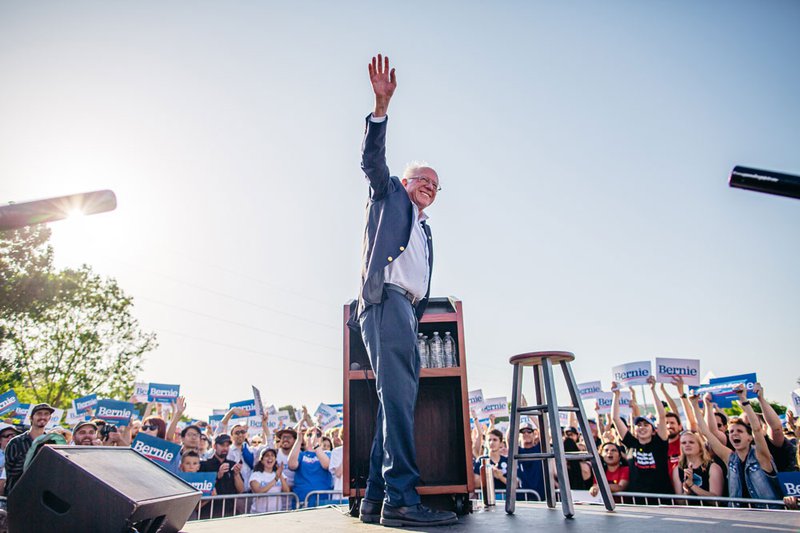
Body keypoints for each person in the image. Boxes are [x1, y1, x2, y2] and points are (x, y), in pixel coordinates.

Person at [349, 53, 456, 529]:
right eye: (423, 180)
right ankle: (403, 500)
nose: (429, 186)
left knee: (396, 403)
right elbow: (372, 161)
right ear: (407, 182)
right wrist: (380, 108)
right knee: (396, 401)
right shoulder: (389, 194)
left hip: (407, 312)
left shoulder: (426, 231)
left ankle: (376, 500)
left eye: (436, 184)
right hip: (385, 303)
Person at [691, 386, 783, 507]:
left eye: (739, 431)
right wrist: (694, 405)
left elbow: (756, 429)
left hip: (767, 513)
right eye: (731, 432)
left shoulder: (760, 455)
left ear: (750, 438)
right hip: (738, 513)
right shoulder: (729, 457)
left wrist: (743, 399)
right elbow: (706, 432)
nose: (734, 434)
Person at [611, 377, 672, 502]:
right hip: (637, 500)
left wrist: (653, 389)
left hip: (661, 500)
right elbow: (615, 419)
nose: (642, 427)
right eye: (639, 425)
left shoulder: (659, 442)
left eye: (646, 425)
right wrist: (616, 396)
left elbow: (661, 416)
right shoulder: (631, 444)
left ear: (653, 430)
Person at [4, 403, 53, 495]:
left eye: (46, 414)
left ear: (49, 418)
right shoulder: (15, 442)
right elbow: (11, 472)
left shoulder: (52, 443)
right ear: (31, 418)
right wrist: (35, 455)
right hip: (17, 494)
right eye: (39, 414)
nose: (43, 417)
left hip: (41, 496)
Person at [670, 430, 723, 503]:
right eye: (683, 443)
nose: (687, 445)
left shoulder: (713, 467)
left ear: (700, 446)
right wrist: (687, 492)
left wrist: (692, 486)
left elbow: (716, 501)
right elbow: (679, 501)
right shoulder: (677, 469)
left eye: (691, 442)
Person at [199, 434, 244, 517]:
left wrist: (236, 474)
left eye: (227, 446)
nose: (225, 448)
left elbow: (241, 490)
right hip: (209, 512)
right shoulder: (204, 465)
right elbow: (201, 488)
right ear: (214, 446)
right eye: (222, 445)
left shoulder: (232, 464)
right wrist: (217, 476)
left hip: (230, 511)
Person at [288, 423, 332, 507]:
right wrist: (298, 441)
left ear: (321, 439)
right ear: (305, 438)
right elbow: (292, 465)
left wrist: (316, 445)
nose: (313, 436)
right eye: (310, 434)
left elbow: (326, 465)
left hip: (322, 500)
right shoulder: (301, 455)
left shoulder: (327, 454)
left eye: (318, 435)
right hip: (302, 500)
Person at [249, 448, 290, 513]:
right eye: (267, 455)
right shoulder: (256, 475)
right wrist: (275, 479)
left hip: (276, 512)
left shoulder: (279, 474)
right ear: (262, 460)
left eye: (272, 455)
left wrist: (280, 475)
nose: (270, 457)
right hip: (259, 513)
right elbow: (258, 492)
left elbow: (287, 492)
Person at [516, 422, 545, 501]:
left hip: (540, 495)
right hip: (522, 496)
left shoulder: (539, 448)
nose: (526, 434)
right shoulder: (517, 450)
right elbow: (509, 438)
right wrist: (514, 417)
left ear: (534, 434)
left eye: (529, 431)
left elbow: (544, 431)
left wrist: (531, 415)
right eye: (523, 432)